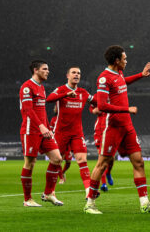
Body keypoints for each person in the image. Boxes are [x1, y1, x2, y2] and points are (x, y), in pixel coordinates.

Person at [84, 45, 150, 214]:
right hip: (113, 126)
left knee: (139, 162)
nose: (126, 61)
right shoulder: (103, 78)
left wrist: (141, 75)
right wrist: (127, 109)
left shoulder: (118, 74)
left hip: (127, 126)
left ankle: (144, 203)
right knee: (102, 163)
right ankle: (90, 204)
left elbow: (122, 83)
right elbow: (103, 105)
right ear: (117, 61)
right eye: (125, 59)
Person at [19, 60, 63, 207]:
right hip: (30, 130)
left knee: (57, 158)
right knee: (30, 163)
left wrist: (47, 127)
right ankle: (28, 200)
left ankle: (49, 193)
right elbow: (28, 110)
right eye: (45, 69)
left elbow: (41, 111)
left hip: (44, 130)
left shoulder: (42, 88)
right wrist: (41, 126)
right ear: (36, 70)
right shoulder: (27, 87)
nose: (48, 71)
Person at [46, 66, 95, 197]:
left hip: (77, 132)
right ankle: (49, 192)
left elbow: (96, 101)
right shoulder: (61, 89)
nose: (76, 75)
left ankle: (88, 192)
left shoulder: (83, 92)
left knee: (82, 159)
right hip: (61, 132)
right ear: (67, 75)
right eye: (74, 72)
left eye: (79, 73)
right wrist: (65, 95)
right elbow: (49, 99)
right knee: (56, 161)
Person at [89, 93, 114, 192]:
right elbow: (92, 107)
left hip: (111, 129)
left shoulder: (114, 95)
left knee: (111, 158)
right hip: (99, 130)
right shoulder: (97, 96)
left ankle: (108, 173)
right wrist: (94, 110)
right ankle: (103, 184)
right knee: (102, 159)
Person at [49, 105, 72, 185]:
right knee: (59, 160)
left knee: (68, 161)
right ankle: (61, 178)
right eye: (54, 107)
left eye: (55, 107)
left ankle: (63, 172)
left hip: (67, 141)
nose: (54, 108)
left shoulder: (66, 117)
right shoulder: (53, 119)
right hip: (58, 140)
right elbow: (51, 130)